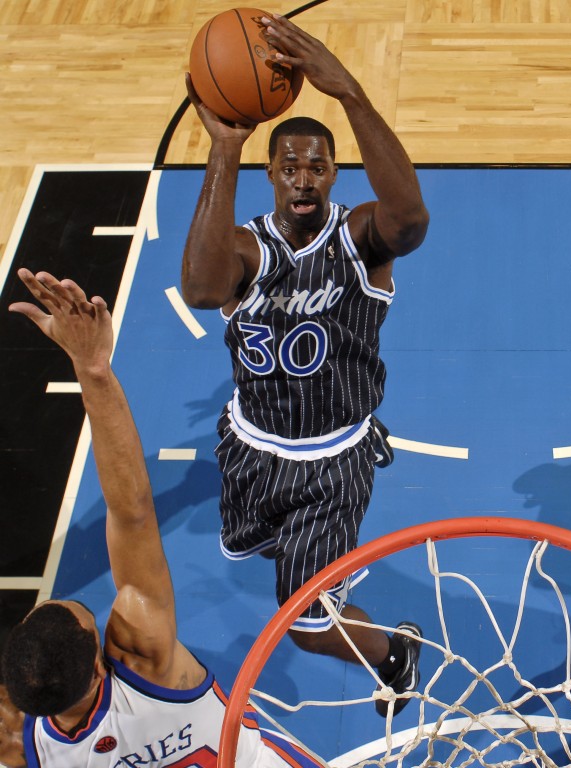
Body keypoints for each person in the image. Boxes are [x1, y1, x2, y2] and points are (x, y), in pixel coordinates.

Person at [179, 13, 429, 718]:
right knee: (251, 546)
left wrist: (349, 93)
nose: (302, 177)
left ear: (334, 174)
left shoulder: (358, 239)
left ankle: (392, 652)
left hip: (331, 462)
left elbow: (410, 219)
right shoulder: (243, 249)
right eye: (288, 164)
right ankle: (314, 564)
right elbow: (201, 291)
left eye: (317, 165)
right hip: (251, 445)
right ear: (270, 173)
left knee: (305, 625)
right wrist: (224, 145)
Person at [1, 269, 322, 767]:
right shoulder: (141, 657)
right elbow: (130, 511)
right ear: (99, 671)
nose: (85, 608)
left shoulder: (20, 745)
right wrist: (93, 368)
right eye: (84, 615)